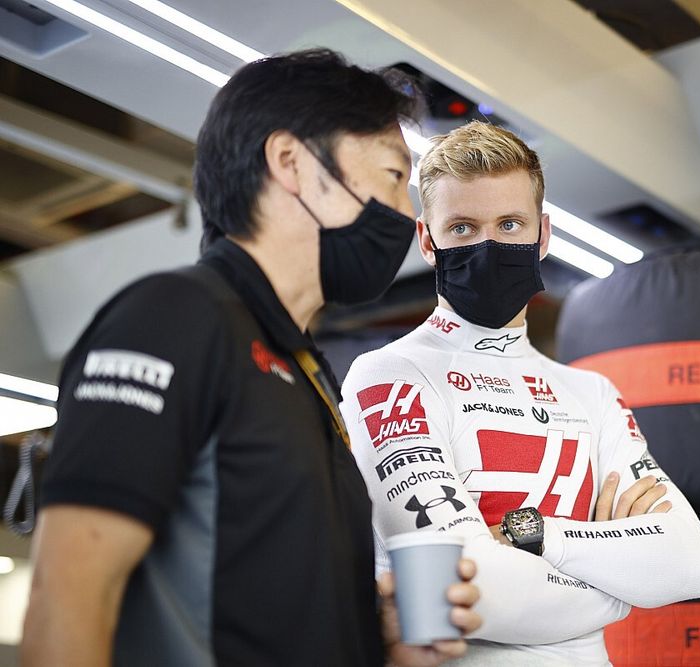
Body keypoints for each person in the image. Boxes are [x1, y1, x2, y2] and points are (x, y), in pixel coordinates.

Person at [21, 49, 480, 667]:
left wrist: (386, 646)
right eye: (395, 177)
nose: (407, 213)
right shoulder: (174, 318)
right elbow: (67, 599)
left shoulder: (308, 374)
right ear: (291, 163)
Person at [340, 121, 700, 666]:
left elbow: (688, 564)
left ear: (542, 234)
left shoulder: (593, 394)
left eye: (510, 224)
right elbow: (462, 591)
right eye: (463, 228)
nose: (489, 245)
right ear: (428, 240)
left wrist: (536, 536)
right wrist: (622, 586)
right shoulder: (388, 377)